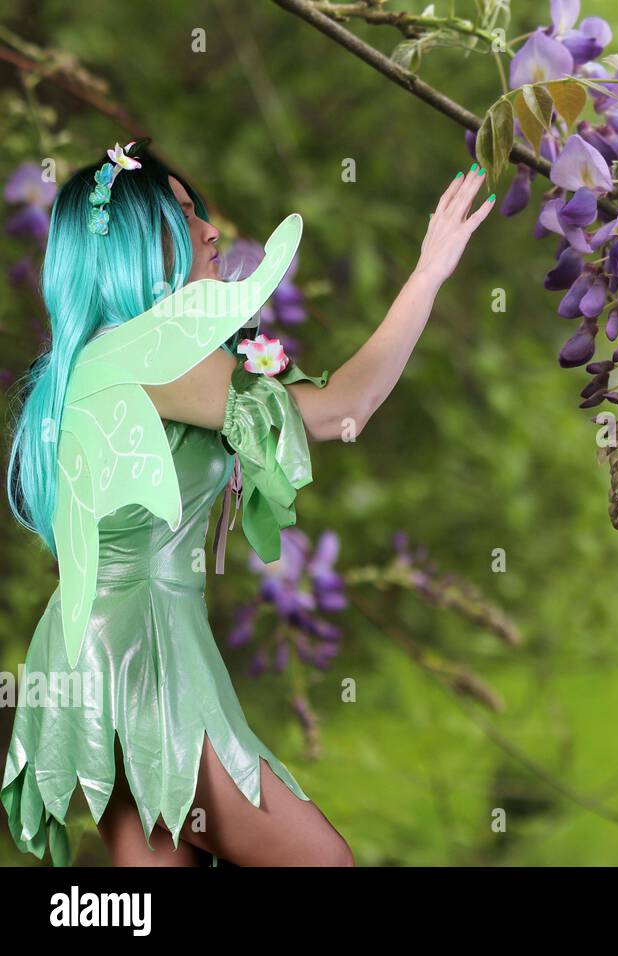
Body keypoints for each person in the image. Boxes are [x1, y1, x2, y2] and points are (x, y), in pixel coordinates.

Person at [2, 141, 494, 865]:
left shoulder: (103, 359)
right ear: (137, 245)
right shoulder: (150, 355)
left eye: (199, 211)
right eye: (182, 214)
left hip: (95, 656)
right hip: (141, 659)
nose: (210, 230)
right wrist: (427, 273)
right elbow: (342, 410)